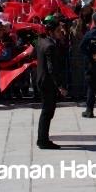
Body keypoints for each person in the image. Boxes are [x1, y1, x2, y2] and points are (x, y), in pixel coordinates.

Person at [36, 19, 68, 150]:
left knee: (47, 111)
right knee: (47, 112)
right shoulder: (50, 46)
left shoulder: (41, 41)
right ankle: (43, 140)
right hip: (48, 82)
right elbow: (52, 69)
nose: (60, 32)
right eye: (58, 31)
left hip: (42, 80)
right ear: (51, 32)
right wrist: (60, 86)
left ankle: (42, 138)